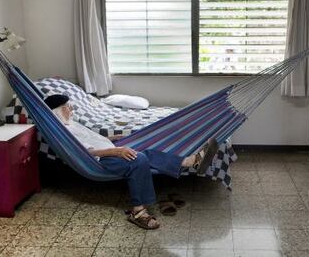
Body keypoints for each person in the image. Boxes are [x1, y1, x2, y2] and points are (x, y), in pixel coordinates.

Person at [44, 94, 218, 230]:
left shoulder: (72, 124)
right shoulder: (65, 132)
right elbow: (86, 151)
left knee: (143, 153)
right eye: (65, 107)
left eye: (69, 105)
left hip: (108, 150)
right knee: (138, 158)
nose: (71, 109)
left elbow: (94, 139)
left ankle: (189, 162)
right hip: (100, 160)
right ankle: (138, 211)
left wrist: (114, 138)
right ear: (56, 112)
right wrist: (117, 150)